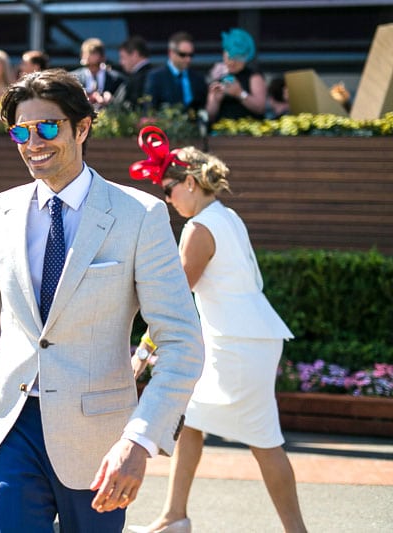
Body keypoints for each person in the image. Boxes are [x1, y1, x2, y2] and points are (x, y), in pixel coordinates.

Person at [0, 69, 204, 533]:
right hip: (10, 429)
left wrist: (140, 440)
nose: (34, 142)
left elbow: (182, 343)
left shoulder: (140, 215)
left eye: (48, 127)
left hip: (100, 442)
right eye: (21, 131)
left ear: (83, 127)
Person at [127, 128, 307, 533]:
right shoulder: (225, 216)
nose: (167, 198)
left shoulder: (199, 228)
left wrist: (142, 352)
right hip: (243, 341)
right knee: (189, 421)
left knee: (264, 442)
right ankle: (175, 516)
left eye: (169, 188)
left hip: (238, 346)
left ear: (190, 182)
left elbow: (174, 298)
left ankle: (297, 532)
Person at [205, 28, 267, 123]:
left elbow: (260, 108)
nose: (232, 62)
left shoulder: (254, 76)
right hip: (221, 133)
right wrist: (215, 100)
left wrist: (240, 93)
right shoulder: (218, 75)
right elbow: (209, 116)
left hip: (249, 132)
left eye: (237, 58)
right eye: (229, 57)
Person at [144, 31, 207, 112]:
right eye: (182, 55)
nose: (188, 59)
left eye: (191, 55)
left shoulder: (198, 78)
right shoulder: (156, 77)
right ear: (171, 53)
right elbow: (149, 110)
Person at [70, 37, 125, 109]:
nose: (87, 57)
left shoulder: (117, 79)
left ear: (103, 57)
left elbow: (122, 104)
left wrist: (111, 100)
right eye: (85, 53)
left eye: (92, 53)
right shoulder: (73, 78)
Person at [113, 35, 152, 110]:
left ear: (135, 54)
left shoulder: (138, 78)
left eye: (122, 57)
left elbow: (131, 108)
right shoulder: (154, 74)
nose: (121, 62)